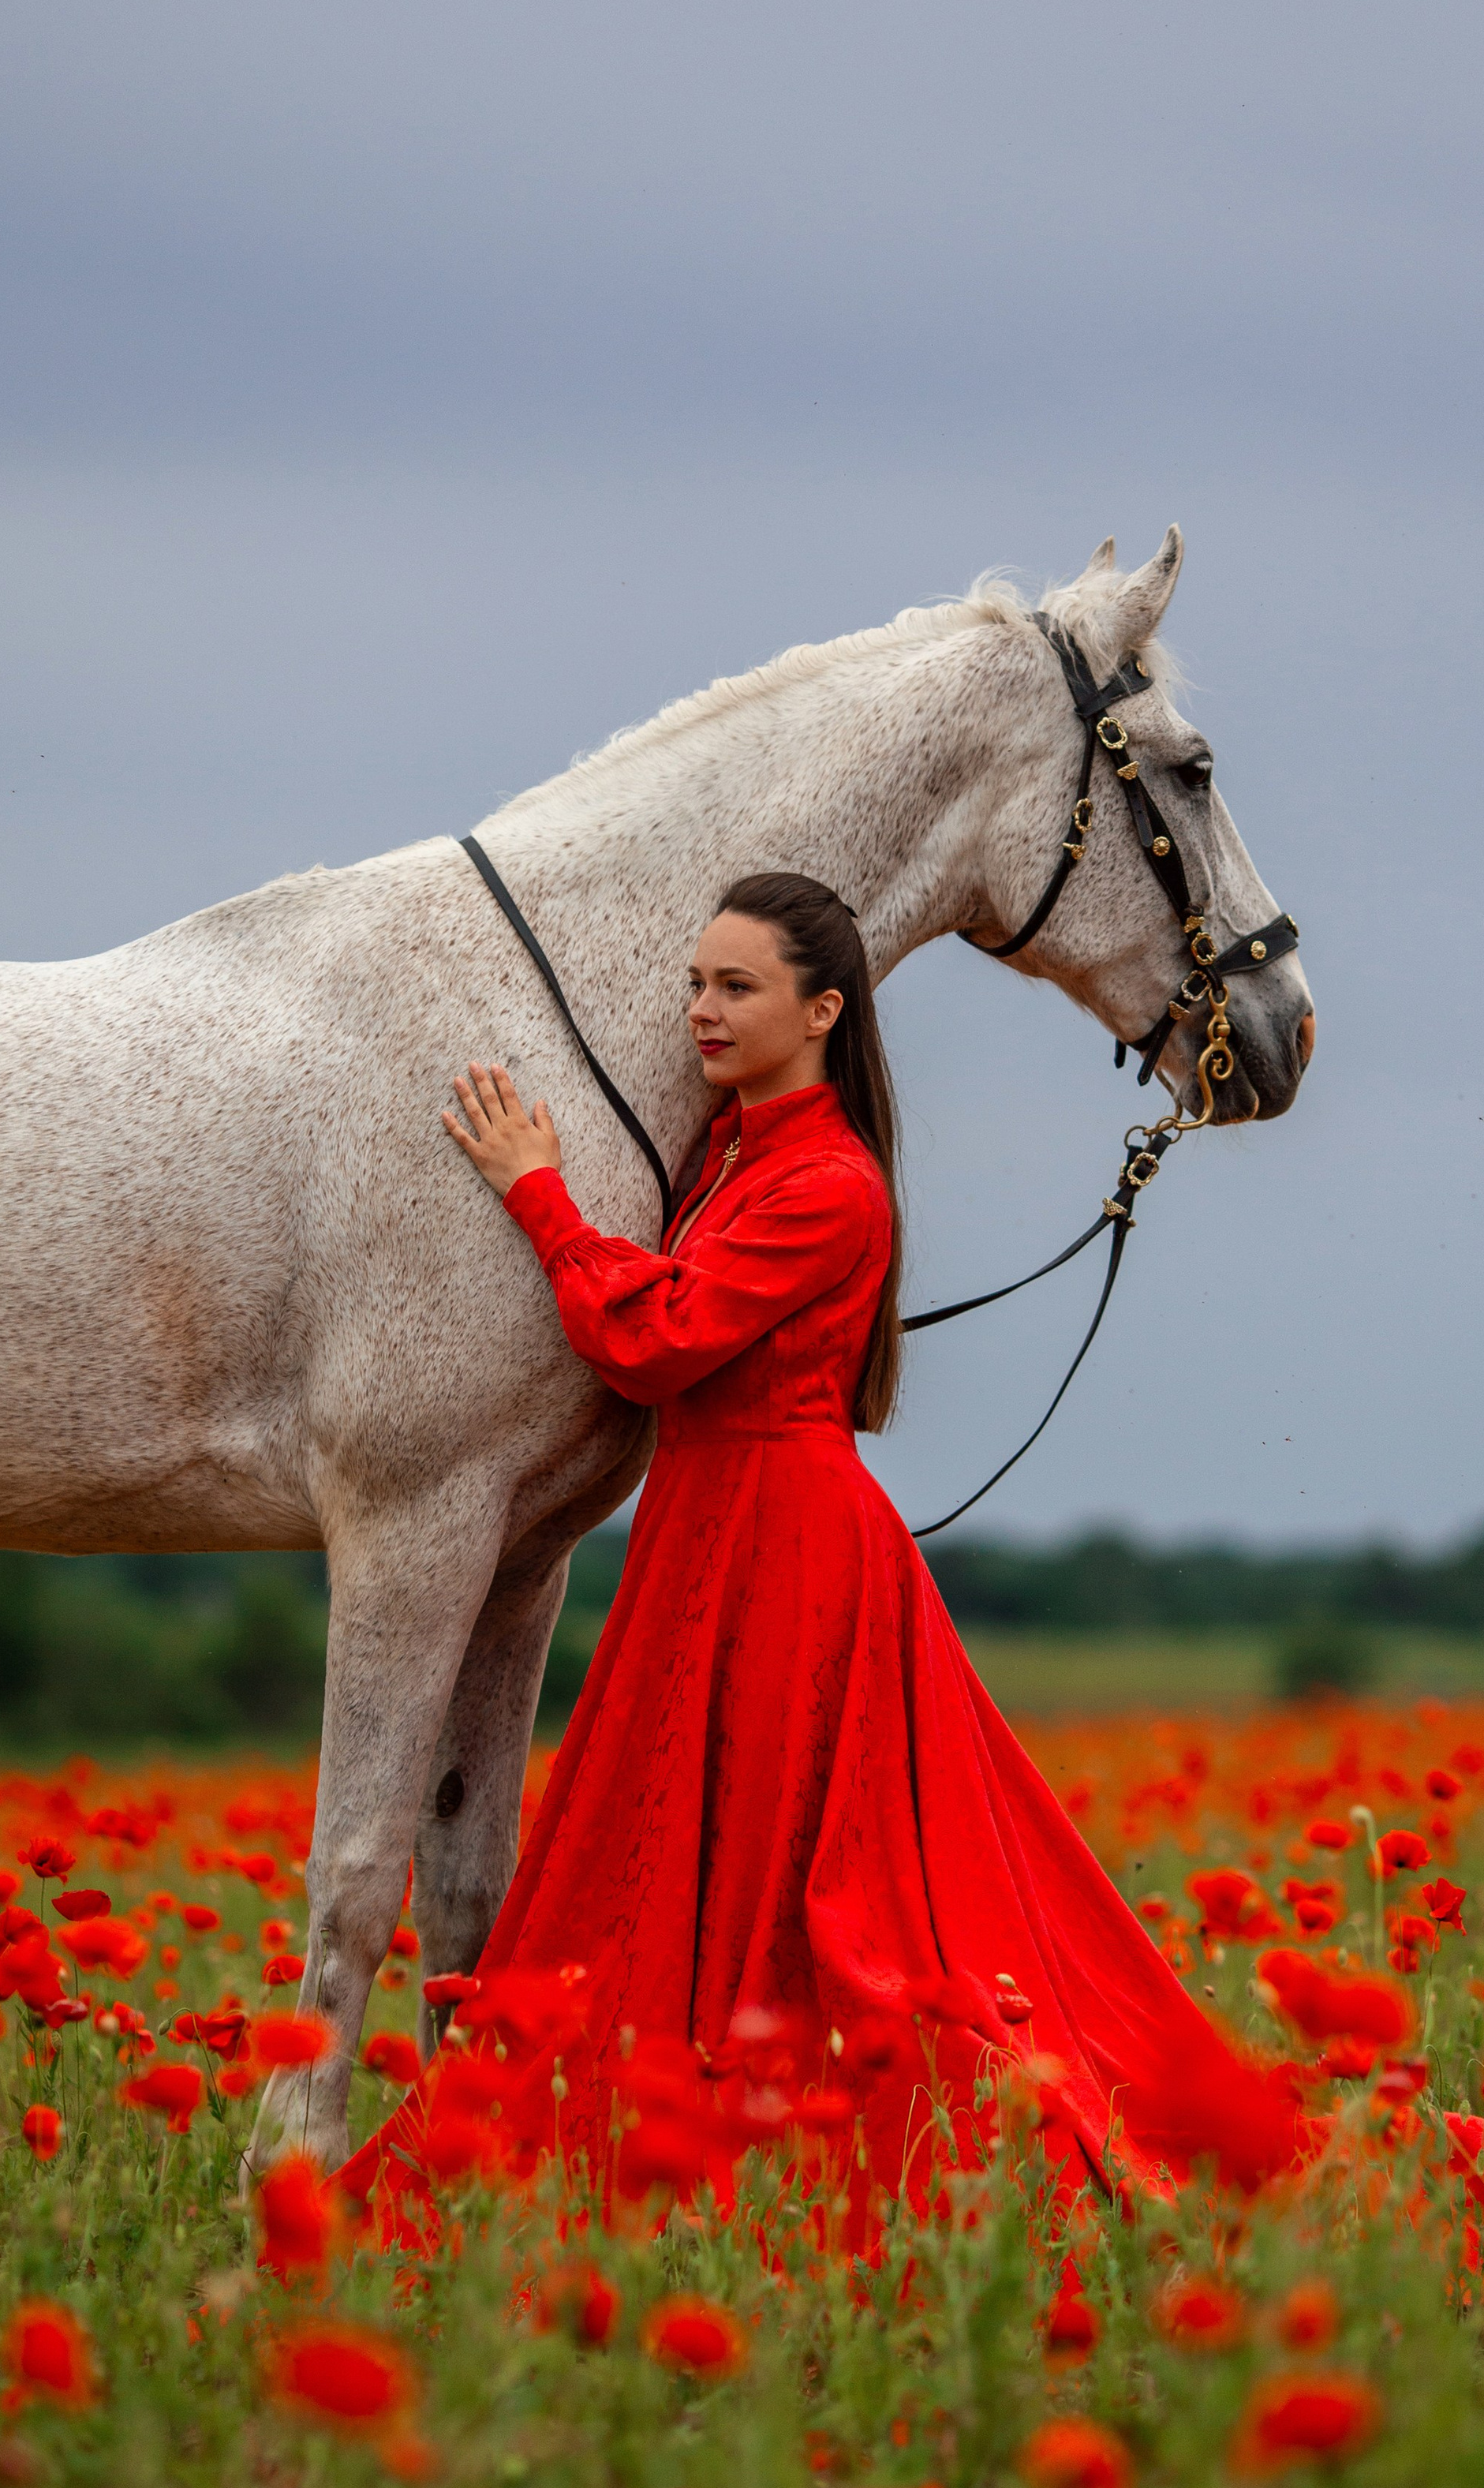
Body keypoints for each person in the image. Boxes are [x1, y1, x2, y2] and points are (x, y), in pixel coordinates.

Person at [340, 870, 1307, 2224]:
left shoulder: (831, 1185)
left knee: (811, 1878)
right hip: (709, 1531)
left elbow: (655, 1340)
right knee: (692, 1844)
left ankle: (783, 2139)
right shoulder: (731, 1150)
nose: (703, 1011)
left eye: (737, 987)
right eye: (696, 982)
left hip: (788, 1547)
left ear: (822, 1008)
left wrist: (541, 1195)